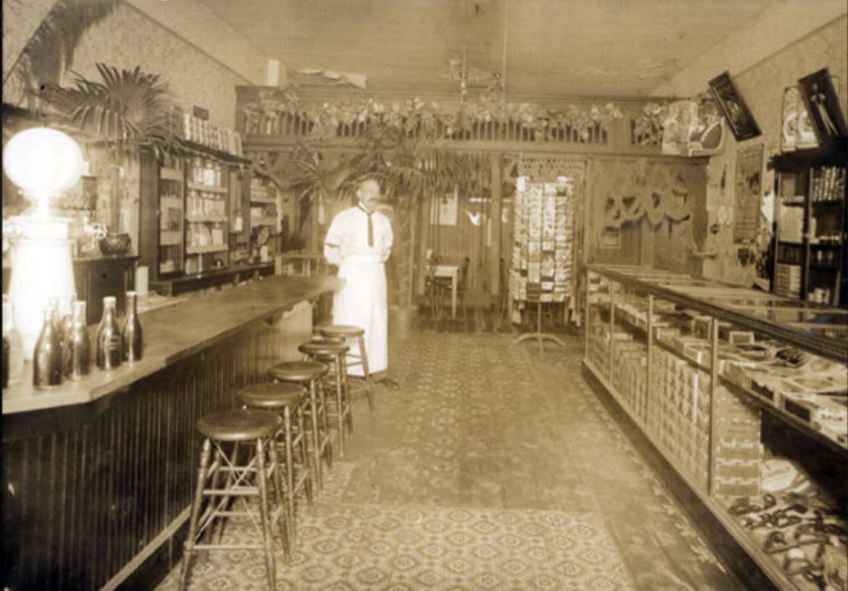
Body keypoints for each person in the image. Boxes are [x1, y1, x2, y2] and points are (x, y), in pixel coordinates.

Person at [323, 177, 393, 377]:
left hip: (376, 274)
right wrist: (346, 265)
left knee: (376, 317)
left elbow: (387, 248)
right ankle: (349, 368)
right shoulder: (344, 218)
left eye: (376, 191)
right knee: (351, 316)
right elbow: (330, 247)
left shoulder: (383, 220)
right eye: (369, 190)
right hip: (352, 274)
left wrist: (374, 260)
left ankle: (374, 366)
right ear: (358, 193)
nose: (373, 195)